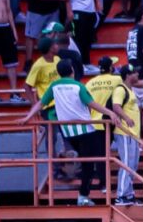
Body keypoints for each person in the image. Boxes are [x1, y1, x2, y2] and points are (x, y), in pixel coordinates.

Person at [19, 59, 121, 206]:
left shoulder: (54, 86)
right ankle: (84, 195)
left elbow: (41, 104)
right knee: (94, 161)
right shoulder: (78, 86)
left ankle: (69, 156)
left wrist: (27, 117)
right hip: (86, 130)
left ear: (59, 73)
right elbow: (91, 104)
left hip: (67, 131)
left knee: (85, 159)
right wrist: (110, 113)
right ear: (72, 71)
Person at [108, 63, 143, 206]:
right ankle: (121, 196)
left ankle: (129, 195)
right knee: (127, 164)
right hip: (124, 132)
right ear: (128, 76)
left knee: (133, 165)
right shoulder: (120, 89)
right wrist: (126, 118)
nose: (137, 75)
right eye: (135, 72)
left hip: (133, 134)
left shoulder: (131, 90)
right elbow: (116, 106)